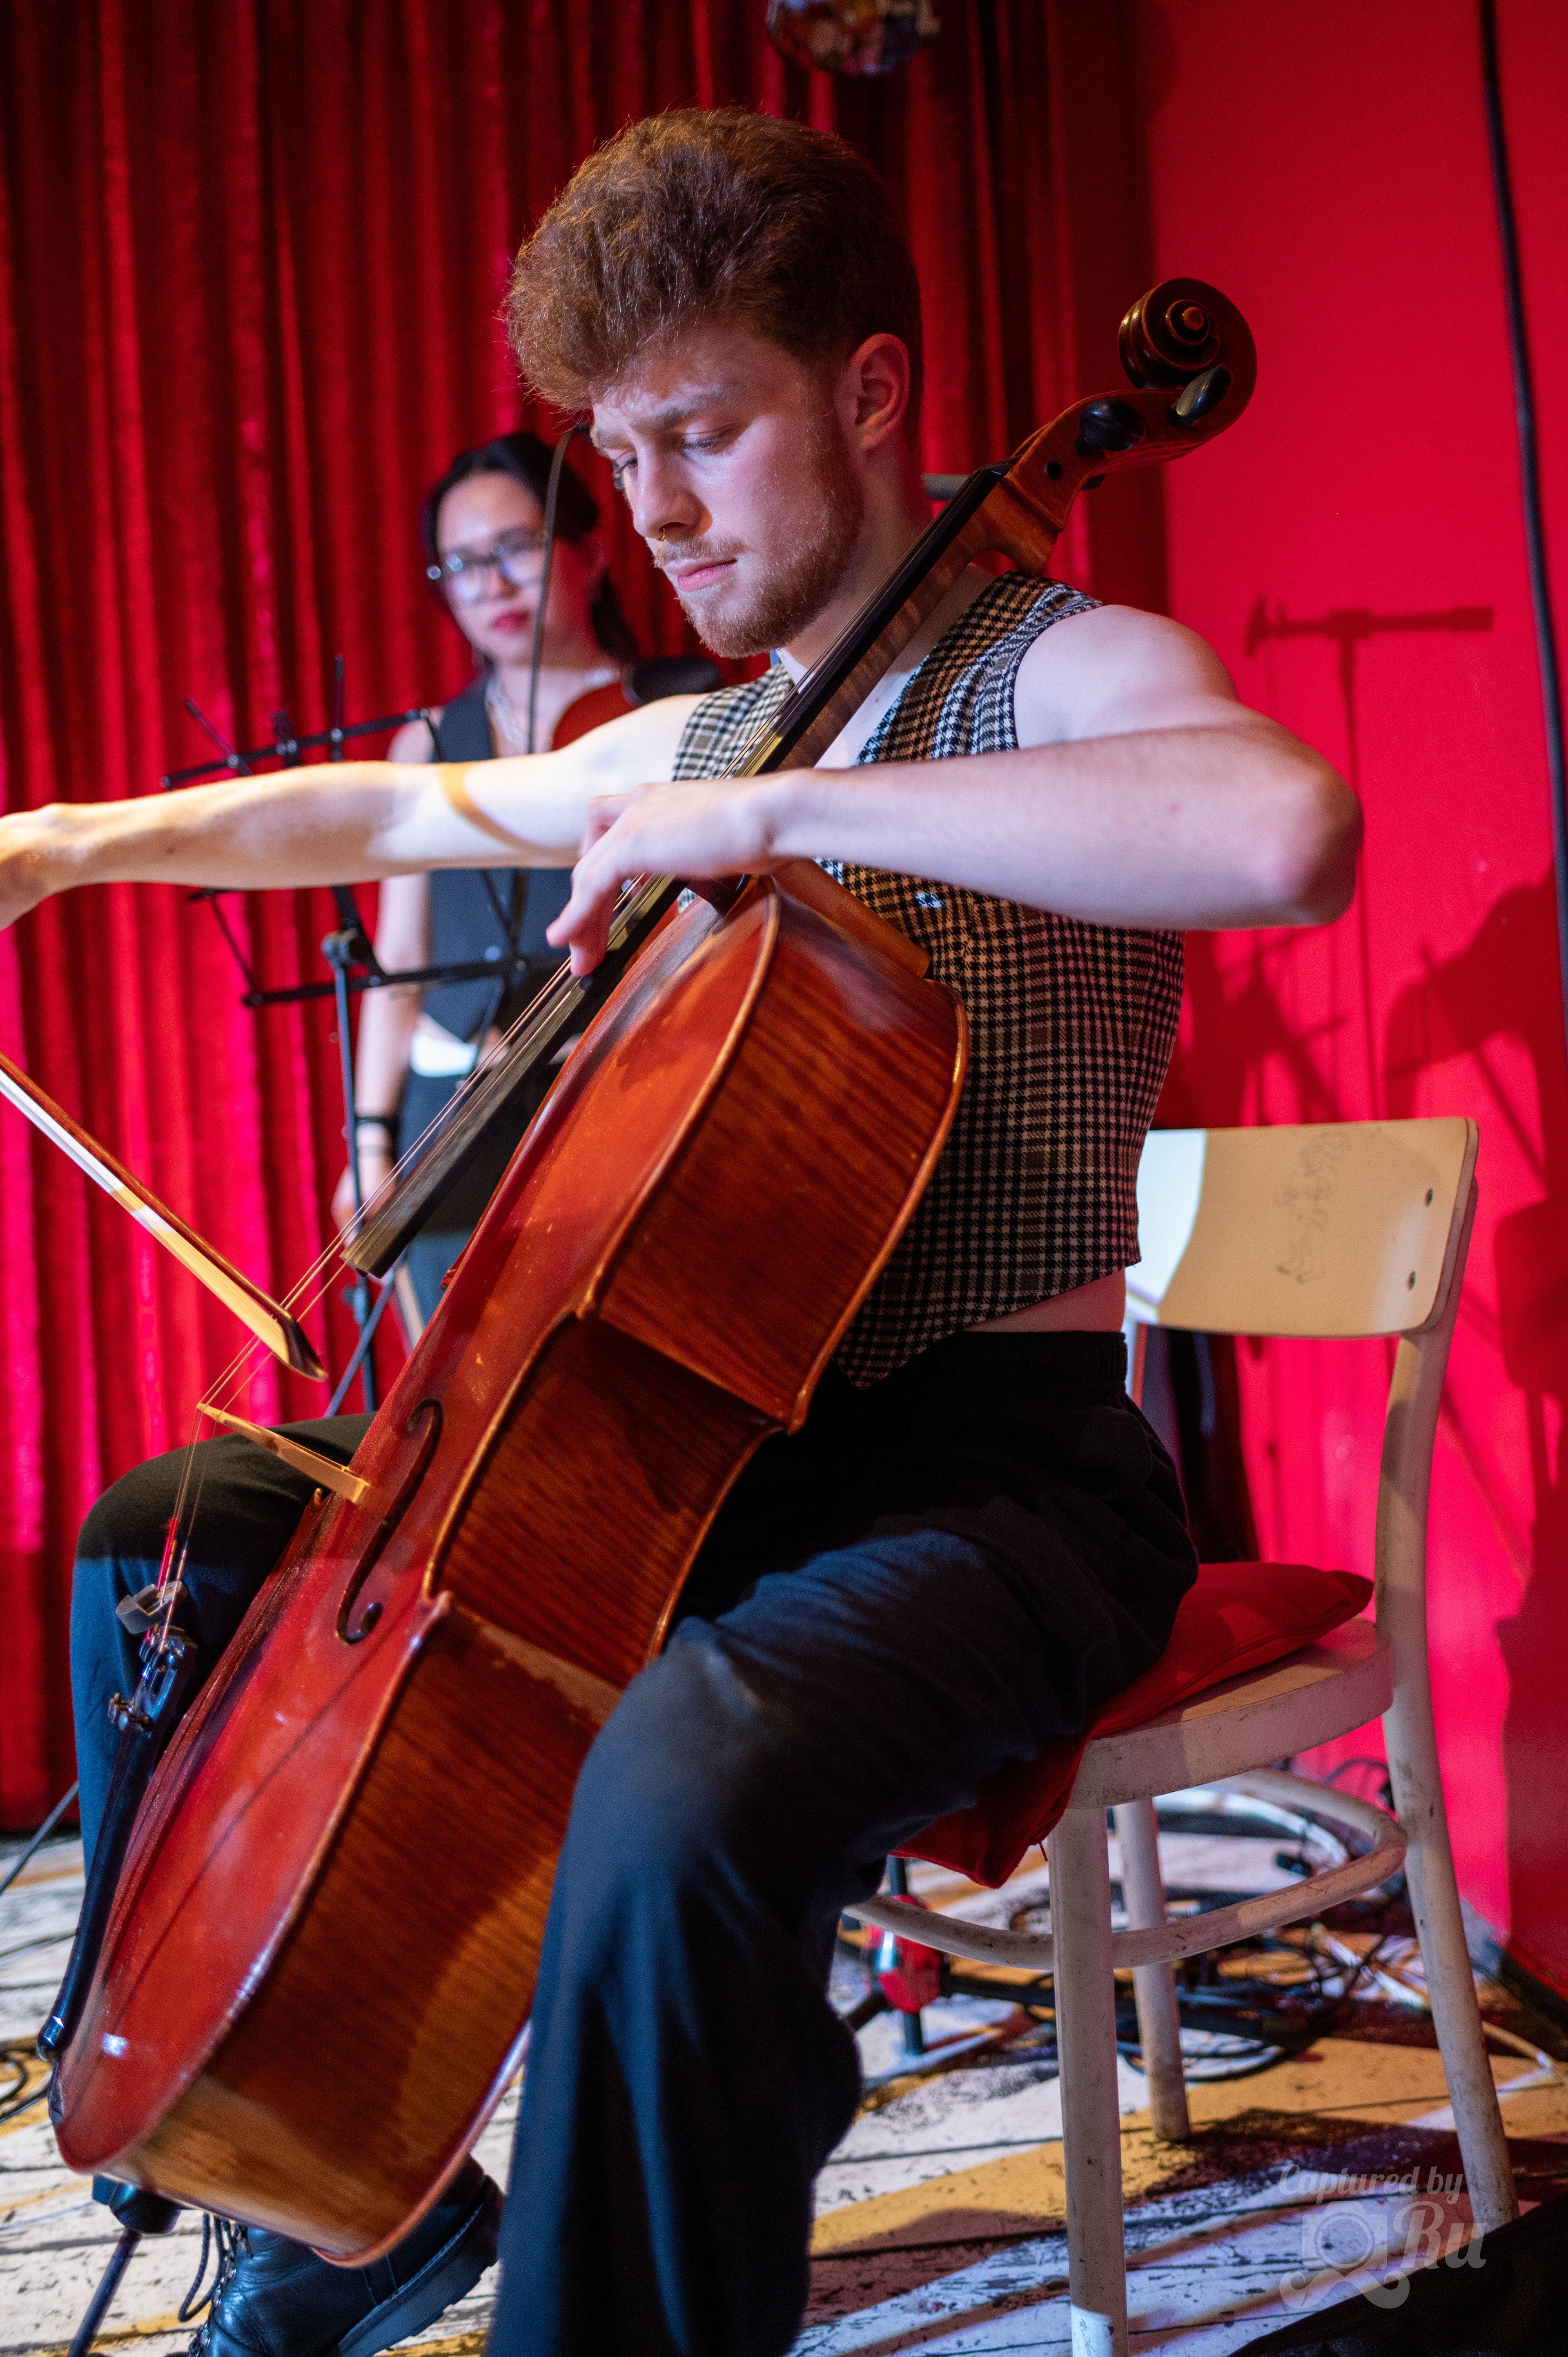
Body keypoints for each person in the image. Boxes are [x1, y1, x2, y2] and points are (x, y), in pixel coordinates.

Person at [4, 109, 1361, 2357]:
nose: (648, 504)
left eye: (702, 431)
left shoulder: (1062, 667)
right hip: (698, 1472)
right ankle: (321, 2192)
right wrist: (67, 841)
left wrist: (779, 802)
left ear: (871, 388)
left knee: (676, 1780)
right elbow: (381, 802)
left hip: (995, 1486)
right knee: (180, 1533)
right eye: (616, 451)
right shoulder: (681, 727)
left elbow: (1282, 823)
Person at [338, 430, 717, 1325]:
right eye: (461, 565)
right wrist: (370, 1142)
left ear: (587, 553)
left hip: (605, 1102)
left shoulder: (669, 716)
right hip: (449, 1111)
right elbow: (401, 969)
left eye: (516, 548)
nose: (492, 585)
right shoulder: (426, 746)